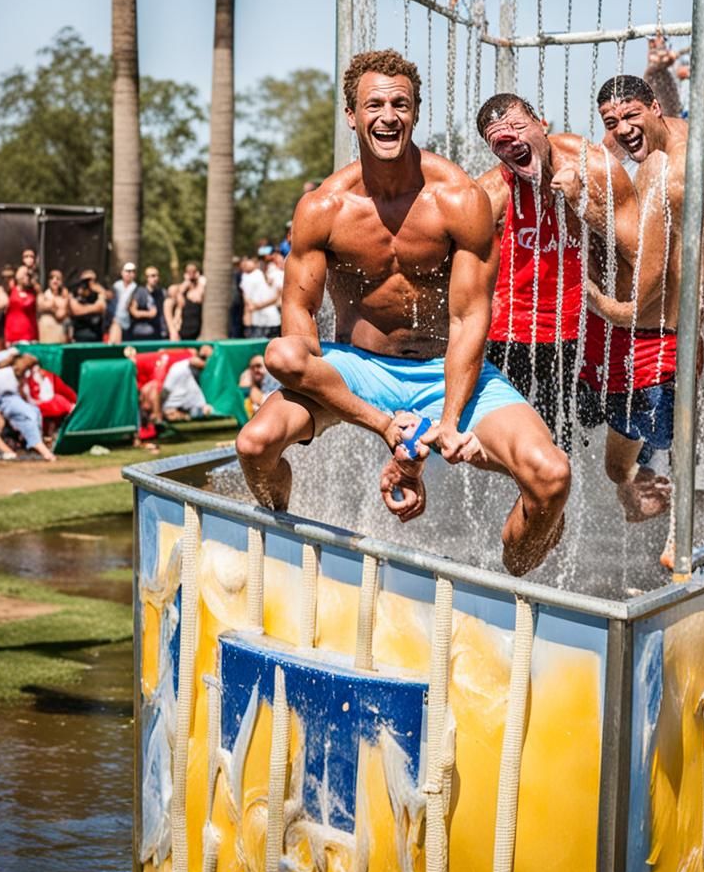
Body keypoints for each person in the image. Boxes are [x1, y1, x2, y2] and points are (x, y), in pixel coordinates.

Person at [236, 49, 571, 576]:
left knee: (551, 477)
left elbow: (468, 321)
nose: (388, 116)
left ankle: (516, 590)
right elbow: (298, 318)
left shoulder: (458, 199)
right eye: (374, 105)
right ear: (352, 115)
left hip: (448, 372)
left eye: (401, 104)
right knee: (256, 439)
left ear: (415, 113)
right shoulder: (323, 208)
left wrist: (448, 422)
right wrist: (389, 432)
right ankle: (278, 548)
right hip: (359, 368)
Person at [560, 74, 704, 556]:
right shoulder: (656, 140)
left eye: (630, 117)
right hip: (642, 327)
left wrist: (599, 302)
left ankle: (682, 530)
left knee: (671, 435)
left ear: (655, 107)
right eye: (611, 122)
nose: (620, 131)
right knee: (617, 467)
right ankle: (638, 490)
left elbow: (661, 267)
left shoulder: (676, 173)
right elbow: (605, 153)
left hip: (659, 328)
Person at [474, 93, 636, 452]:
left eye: (519, 126)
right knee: (516, 448)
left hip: (575, 333)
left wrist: (581, 201)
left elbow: (634, 244)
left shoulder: (588, 165)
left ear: (541, 124)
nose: (512, 139)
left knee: (572, 439)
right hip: (508, 337)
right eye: (499, 138)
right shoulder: (491, 193)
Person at [0, 353, 56, 461]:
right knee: (30, 414)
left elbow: (24, 397)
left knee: (35, 411)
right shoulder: (4, 374)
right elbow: (0, 398)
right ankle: (38, 446)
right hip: (4, 401)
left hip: (13, 401)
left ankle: (34, 445)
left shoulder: (20, 376)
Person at [161, 345, 214, 420]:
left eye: (207, 359)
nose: (203, 362)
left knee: (207, 410)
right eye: (201, 358)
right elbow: (165, 391)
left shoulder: (209, 374)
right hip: (173, 407)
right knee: (170, 413)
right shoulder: (179, 367)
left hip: (194, 408)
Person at [241, 248, 283, 339]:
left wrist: (259, 306)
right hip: (257, 321)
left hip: (272, 320)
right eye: (261, 258)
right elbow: (246, 296)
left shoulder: (277, 273)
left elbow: (278, 296)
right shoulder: (251, 275)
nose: (264, 260)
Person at [4, 264, 39, 344]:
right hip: (13, 335)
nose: (27, 277)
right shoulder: (10, 291)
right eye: (25, 274)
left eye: (28, 275)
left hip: (30, 335)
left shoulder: (33, 292)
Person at [129, 266, 166, 340]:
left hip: (159, 332)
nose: (155, 278)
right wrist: (148, 314)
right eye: (152, 276)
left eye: (157, 275)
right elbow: (133, 311)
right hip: (141, 332)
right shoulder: (140, 291)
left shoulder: (162, 292)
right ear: (146, 278)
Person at [69, 270, 107, 342]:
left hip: (97, 335)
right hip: (80, 335)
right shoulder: (74, 293)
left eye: (92, 280)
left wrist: (101, 292)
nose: (89, 283)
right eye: (86, 280)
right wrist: (95, 307)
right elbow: (76, 310)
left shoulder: (99, 293)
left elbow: (102, 307)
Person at [239, 353, 280, 418]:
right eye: (252, 368)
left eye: (258, 366)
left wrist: (251, 385)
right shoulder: (257, 384)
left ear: (266, 367)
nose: (256, 370)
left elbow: (264, 402)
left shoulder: (272, 380)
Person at [37, 269, 70, 343]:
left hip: (59, 333)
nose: (55, 281)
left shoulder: (65, 297)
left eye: (58, 278)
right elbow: (40, 306)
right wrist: (55, 306)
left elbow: (60, 314)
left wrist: (51, 305)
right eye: (52, 278)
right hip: (45, 333)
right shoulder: (43, 295)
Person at [108, 262, 137, 344]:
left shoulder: (136, 288)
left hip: (128, 323)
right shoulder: (116, 286)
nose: (130, 274)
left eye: (132, 271)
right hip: (114, 321)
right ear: (122, 272)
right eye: (128, 271)